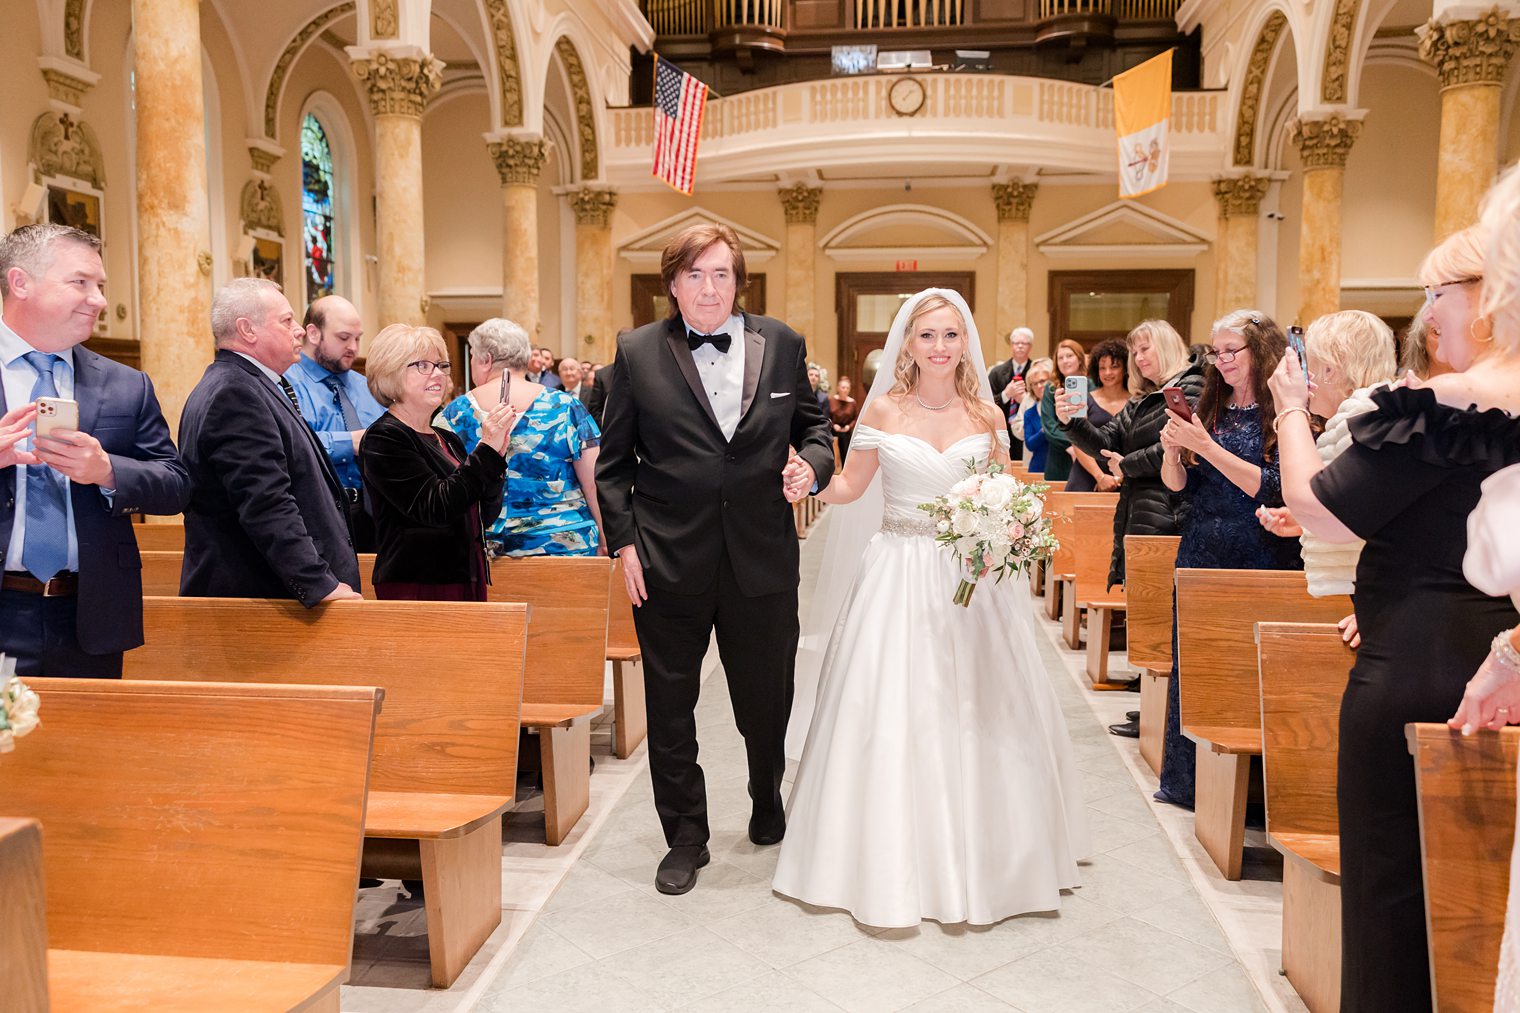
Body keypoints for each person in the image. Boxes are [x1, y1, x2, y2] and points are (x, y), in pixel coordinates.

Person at [774, 289, 1088, 927]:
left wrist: (1008, 528)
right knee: (893, 707)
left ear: (964, 342)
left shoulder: (986, 414)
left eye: (950, 335)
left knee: (979, 705)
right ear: (907, 344)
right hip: (897, 570)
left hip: (974, 577)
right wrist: (808, 481)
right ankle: (886, 858)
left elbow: (1006, 491)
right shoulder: (883, 409)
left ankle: (997, 856)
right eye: (927, 336)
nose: (939, 347)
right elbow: (849, 487)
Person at [1275, 213, 1520, 1011]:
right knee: (1480, 907)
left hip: (1418, 666)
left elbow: (1321, 509)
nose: (1427, 314)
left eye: (1436, 292)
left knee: (1393, 901)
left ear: (1489, 296)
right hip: (1500, 663)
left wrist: (1287, 409)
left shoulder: (1453, 401)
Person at [595, 222, 835, 895]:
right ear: (672, 284)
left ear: (739, 281)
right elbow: (613, 468)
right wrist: (623, 543)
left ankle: (766, 790)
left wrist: (809, 468)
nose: (709, 287)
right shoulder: (636, 353)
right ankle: (686, 836)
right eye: (695, 274)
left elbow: (814, 428)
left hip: (762, 553)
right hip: (666, 559)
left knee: (766, 695)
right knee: (670, 707)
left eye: (721, 273)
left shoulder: (782, 343)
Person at [0, 223, 189, 678]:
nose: (99, 300)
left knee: (88, 750)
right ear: (20, 282)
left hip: (89, 616)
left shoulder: (126, 384)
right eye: (80, 283)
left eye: (100, 286)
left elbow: (176, 484)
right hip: (5, 608)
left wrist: (108, 471)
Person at [1154, 311, 1300, 808]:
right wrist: (1174, 453)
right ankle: (1188, 783)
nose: (1222, 361)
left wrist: (1205, 446)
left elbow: (1275, 488)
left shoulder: (1284, 411)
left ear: (1261, 350)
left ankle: (1252, 797)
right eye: (1216, 352)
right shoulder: (1210, 405)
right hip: (1201, 547)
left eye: (1231, 351)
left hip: (1261, 549)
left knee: (1245, 673)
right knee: (1194, 664)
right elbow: (1182, 487)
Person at [179, 278, 362, 604]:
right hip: (260, 599)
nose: (299, 331)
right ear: (248, 330)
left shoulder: (246, 384)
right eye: (286, 320)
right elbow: (266, 502)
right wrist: (319, 584)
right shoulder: (235, 393)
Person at [1259, 311, 1398, 651]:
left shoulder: (1363, 418)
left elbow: (1398, 522)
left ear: (1330, 371)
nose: (1304, 378)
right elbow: (1359, 505)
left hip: (1380, 595)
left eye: (1310, 365)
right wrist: (1306, 522)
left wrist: (1386, 607)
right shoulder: (1365, 414)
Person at [358, 323, 513, 601]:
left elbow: (482, 513)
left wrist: (495, 455)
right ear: (390, 372)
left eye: (441, 365)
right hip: (418, 582)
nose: (438, 374)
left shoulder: (447, 438)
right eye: (423, 366)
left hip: (465, 573)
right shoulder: (385, 437)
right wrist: (485, 450)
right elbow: (435, 507)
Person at [437, 318, 605, 557]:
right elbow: (594, 481)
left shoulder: (454, 414)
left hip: (484, 547)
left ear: (486, 360)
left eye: (473, 355)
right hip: (565, 541)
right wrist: (606, 535)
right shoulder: (566, 406)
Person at [1056, 320, 1202, 586]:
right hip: (1141, 511)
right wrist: (1071, 422)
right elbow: (1105, 442)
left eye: (1145, 349)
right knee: (1145, 602)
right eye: (1134, 352)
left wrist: (1126, 466)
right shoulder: (1143, 399)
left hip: (1172, 512)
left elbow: (1177, 447)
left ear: (1166, 346)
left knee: (1160, 601)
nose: (1139, 358)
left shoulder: (1191, 386)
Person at [283, 294, 384, 551]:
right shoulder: (284, 384)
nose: (353, 346)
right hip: (316, 516)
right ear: (314, 333)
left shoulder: (368, 388)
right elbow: (293, 446)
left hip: (372, 518)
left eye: (358, 338)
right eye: (343, 337)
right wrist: (349, 442)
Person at [1064, 338, 1130, 493]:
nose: (1108, 373)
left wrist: (1121, 476)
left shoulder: (1137, 401)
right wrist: (1100, 476)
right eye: (1102, 368)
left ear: (1126, 368)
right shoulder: (1085, 399)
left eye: (1114, 367)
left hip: (1127, 477)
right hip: (1086, 475)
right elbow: (1078, 441)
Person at [1038, 339, 1086, 482]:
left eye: (1069, 356)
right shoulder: (1051, 389)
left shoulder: (1093, 385)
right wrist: (1072, 445)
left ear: (1079, 358)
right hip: (1060, 455)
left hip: (1090, 454)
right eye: (1060, 358)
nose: (1065, 361)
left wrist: (1084, 448)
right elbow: (1049, 425)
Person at [989, 325, 1035, 457]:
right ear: (1011, 346)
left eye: (1024, 343)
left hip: (1027, 431)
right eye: (1016, 343)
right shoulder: (996, 372)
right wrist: (1006, 394)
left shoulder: (1037, 371)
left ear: (1030, 347)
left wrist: (1026, 400)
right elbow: (987, 403)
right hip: (1002, 429)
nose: (1020, 346)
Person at [1015, 359, 1054, 473]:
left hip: (1061, 467)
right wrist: (1044, 430)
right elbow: (1030, 444)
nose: (1039, 386)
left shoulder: (1061, 406)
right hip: (1037, 467)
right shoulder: (1030, 413)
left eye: (1042, 381)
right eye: (1034, 384)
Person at [828, 375, 859, 462]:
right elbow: (826, 416)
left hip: (846, 433)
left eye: (847, 388)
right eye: (843, 387)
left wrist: (849, 426)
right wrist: (833, 425)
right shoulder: (831, 400)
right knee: (832, 456)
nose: (845, 390)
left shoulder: (852, 402)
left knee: (845, 456)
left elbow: (856, 418)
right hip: (833, 431)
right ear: (838, 388)